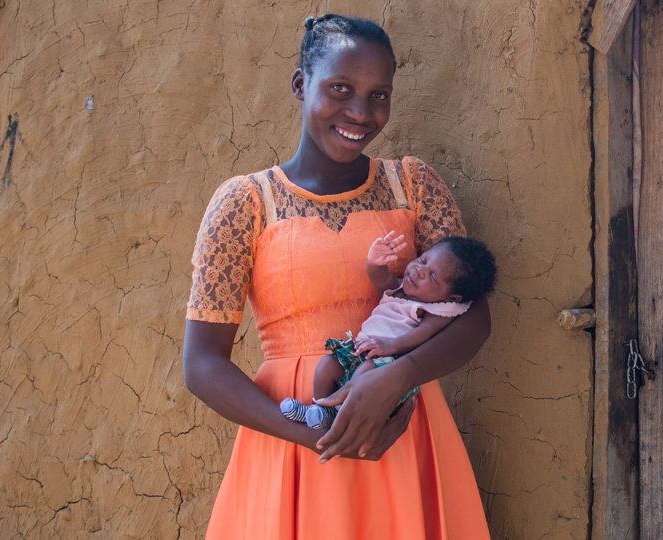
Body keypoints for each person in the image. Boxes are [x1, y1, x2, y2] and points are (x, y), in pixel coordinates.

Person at [182, 13, 492, 539]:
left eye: (378, 95)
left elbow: (473, 316)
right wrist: (312, 433)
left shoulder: (414, 187)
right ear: (301, 85)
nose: (360, 112)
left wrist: (396, 377)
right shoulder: (245, 204)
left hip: (398, 428)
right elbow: (202, 363)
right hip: (294, 438)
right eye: (340, 89)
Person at [279, 232, 497, 430]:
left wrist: (390, 346)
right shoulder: (401, 289)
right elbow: (381, 279)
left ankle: (340, 418)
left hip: (389, 360)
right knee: (327, 366)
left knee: (366, 376)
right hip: (363, 347)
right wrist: (374, 262)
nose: (419, 271)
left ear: (452, 298)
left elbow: (422, 334)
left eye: (432, 277)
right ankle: (320, 409)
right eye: (423, 260)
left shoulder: (437, 310)